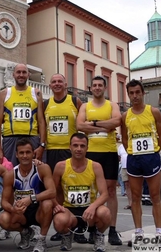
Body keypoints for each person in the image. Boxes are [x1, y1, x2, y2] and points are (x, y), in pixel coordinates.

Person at [76, 75, 122, 245]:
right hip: (90, 154)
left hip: (108, 152)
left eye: (100, 85)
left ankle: (112, 230)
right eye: (94, 85)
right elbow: (80, 126)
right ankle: (89, 228)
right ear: (90, 88)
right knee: (90, 191)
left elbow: (117, 121)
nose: (97, 88)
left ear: (105, 88)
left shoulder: (112, 105)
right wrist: (105, 125)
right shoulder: (85, 106)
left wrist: (93, 123)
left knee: (110, 192)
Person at [120, 79, 161, 246]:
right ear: (128, 95)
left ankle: (159, 233)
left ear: (143, 93)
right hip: (134, 159)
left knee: (155, 196)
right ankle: (138, 232)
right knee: (136, 198)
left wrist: (154, 151)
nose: (134, 96)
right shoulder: (125, 116)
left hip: (151, 157)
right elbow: (125, 139)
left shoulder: (152, 111)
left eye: (137, 92)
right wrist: (133, 152)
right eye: (131, 93)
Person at [52, 133, 111, 252]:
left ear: (87, 148)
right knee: (59, 221)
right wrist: (57, 205)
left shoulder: (95, 166)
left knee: (105, 213)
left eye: (82, 146)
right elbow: (51, 191)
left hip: (90, 210)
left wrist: (93, 207)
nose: (78, 149)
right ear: (70, 147)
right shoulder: (61, 166)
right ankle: (67, 236)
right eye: (75, 145)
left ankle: (98, 235)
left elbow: (104, 194)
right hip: (69, 209)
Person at [43, 73, 83, 242]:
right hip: (52, 151)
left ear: (66, 84)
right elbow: (43, 128)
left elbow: (82, 124)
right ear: (50, 85)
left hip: (71, 151)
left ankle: (80, 227)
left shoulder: (75, 101)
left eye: (60, 81)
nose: (57, 84)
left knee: (76, 187)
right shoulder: (46, 104)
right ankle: (61, 227)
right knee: (57, 190)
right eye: (54, 82)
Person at [0, 138, 56, 252]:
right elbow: (4, 202)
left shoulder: (42, 168)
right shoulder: (11, 175)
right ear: (16, 155)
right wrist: (13, 209)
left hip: (38, 210)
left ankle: (42, 239)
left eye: (28, 152)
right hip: (21, 212)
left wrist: (31, 198)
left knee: (48, 203)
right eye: (21, 153)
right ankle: (25, 233)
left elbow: (52, 191)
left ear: (33, 153)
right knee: (4, 219)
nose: (25, 156)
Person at [0, 63, 46, 166]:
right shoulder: (4, 93)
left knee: (33, 171)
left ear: (28, 75)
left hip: (32, 139)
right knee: (10, 171)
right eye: (18, 72)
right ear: (13, 74)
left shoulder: (36, 93)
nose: (21, 75)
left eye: (24, 72)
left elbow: (41, 121)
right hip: (10, 139)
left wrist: (42, 145)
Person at [118, 139, 131, 210]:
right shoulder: (120, 146)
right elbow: (119, 157)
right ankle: (130, 203)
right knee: (127, 185)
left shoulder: (132, 143)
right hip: (124, 167)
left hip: (132, 166)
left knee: (135, 185)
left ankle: (136, 202)